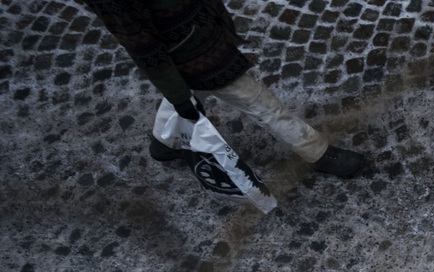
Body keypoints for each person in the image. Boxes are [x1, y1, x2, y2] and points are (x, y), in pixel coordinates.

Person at [80, 0, 369, 182]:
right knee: (261, 104)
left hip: (203, 37)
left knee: (192, 95)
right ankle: (318, 152)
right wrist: (180, 97)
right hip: (194, 57)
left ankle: (164, 144)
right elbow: (146, 51)